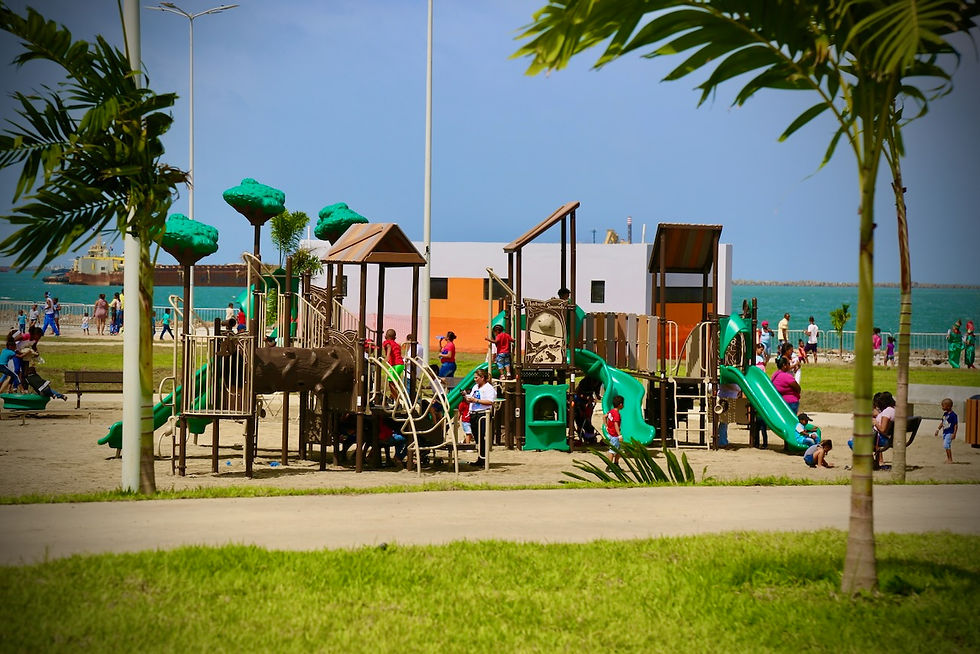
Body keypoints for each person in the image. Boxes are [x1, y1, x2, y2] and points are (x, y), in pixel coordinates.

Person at [464, 367, 496, 467]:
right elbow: (473, 398)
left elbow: (490, 401)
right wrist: (467, 398)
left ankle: (484, 459)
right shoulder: (475, 387)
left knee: (481, 436)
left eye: (476, 378)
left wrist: (476, 401)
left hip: (482, 414)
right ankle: (480, 458)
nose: (475, 379)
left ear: (482, 378)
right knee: (477, 437)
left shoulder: (488, 388)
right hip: (474, 413)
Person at [382, 329, 405, 402]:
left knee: (391, 384)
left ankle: (397, 402)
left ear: (386, 336)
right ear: (395, 337)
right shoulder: (397, 345)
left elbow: (389, 347)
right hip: (401, 365)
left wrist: (387, 356)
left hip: (395, 365)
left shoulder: (386, 342)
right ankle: (392, 397)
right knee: (394, 383)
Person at [716, 382, 740, 449]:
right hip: (726, 399)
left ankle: (723, 440)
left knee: (725, 422)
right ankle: (722, 441)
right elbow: (735, 387)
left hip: (729, 398)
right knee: (724, 421)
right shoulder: (727, 381)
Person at [604, 395, 625, 466]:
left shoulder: (611, 411)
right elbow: (616, 424)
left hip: (611, 433)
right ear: (620, 404)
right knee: (612, 450)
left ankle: (616, 463)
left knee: (619, 449)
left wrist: (606, 425)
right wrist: (619, 435)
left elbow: (604, 416)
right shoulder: (616, 414)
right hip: (614, 435)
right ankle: (610, 465)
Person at [936, 398, 958, 464]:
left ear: (948, 406)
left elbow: (956, 425)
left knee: (946, 445)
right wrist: (938, 429)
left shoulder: (953, 415)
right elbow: (943, 422)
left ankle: (950, 459)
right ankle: (948, 459)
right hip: (945, 432)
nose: (942, 407)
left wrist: (954, 433)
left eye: (943, 406)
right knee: (946, 446)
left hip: (950, 432)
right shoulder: (945, 414)